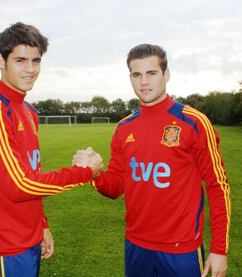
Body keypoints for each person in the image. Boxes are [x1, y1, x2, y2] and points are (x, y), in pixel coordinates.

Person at [74, 44, 231, 277]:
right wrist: (94, 173)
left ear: (166, 75)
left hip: (182, 248)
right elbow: (116, 186)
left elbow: (218, 187)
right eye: (137, 75)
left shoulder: (194, 122)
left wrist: (219, 249)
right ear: (130, 78)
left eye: (152, 73)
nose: (144, 81)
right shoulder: (124, 127)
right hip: (136, 245)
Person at [0, 22, 102, 277]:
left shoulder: (28, 112)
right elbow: (19, 184)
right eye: (20, 60)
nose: (30, 69)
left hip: (28, 240)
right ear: (1, 60)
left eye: (36, 61)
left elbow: (29, 172)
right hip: (3, 247)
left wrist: (41, 225)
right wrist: (82, 173)